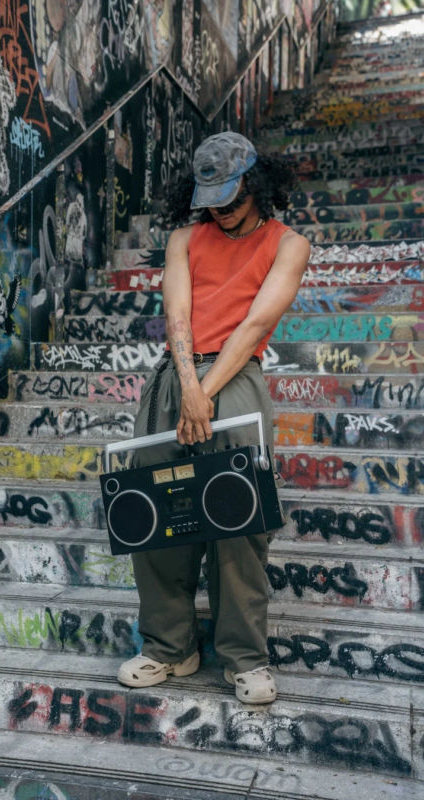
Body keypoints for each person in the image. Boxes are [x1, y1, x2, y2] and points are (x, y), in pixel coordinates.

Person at [117, 132, 310, 704]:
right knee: (155, 512)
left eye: (232, 197)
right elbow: (177, 314)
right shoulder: (184, 239)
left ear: (256, 182)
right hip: (175, 380)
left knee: (239, 519)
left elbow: (255, 325)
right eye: (212, 201)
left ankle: (244, 658)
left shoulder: (288, 244)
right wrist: (187, 387)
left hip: (236, 378)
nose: (222, 210)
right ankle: (169, 648)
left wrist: (205, 392)